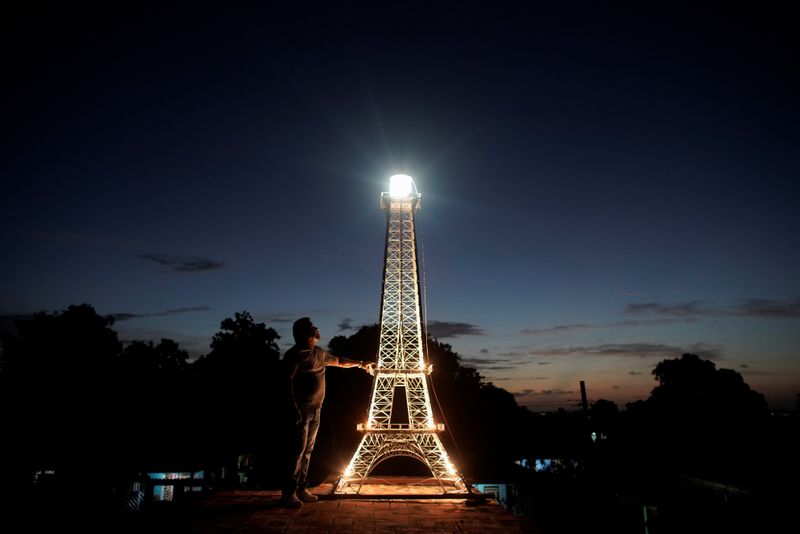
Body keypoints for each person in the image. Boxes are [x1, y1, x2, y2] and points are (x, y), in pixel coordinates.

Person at [281, 317, 373, 507]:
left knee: (307, 451)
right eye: (313, 328)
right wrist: (292, 408)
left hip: (316, 409)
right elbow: (285, 382)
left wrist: (362, 364)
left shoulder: (319, 353)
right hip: (301, 410)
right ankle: (288, 492)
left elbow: (339, 361)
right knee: (297, 451)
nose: (317, 329)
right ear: (306, 333)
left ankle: (300, 488)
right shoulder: (295, 355)